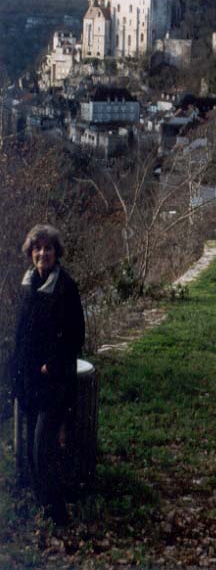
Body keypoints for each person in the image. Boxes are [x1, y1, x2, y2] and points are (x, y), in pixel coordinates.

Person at [13, 224, 85, 525]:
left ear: (57, 253)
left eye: (48, 248)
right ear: (31, 253)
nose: (43, 253)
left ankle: (58, 512)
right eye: (37, 248)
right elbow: (21, 336)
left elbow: (75, 335)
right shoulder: (29, 285)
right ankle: (41, 501)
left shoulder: (65, 287)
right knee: (31, 445)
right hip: (30, 380)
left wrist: (51, 365)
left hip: (54, 380)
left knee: (44, 446)